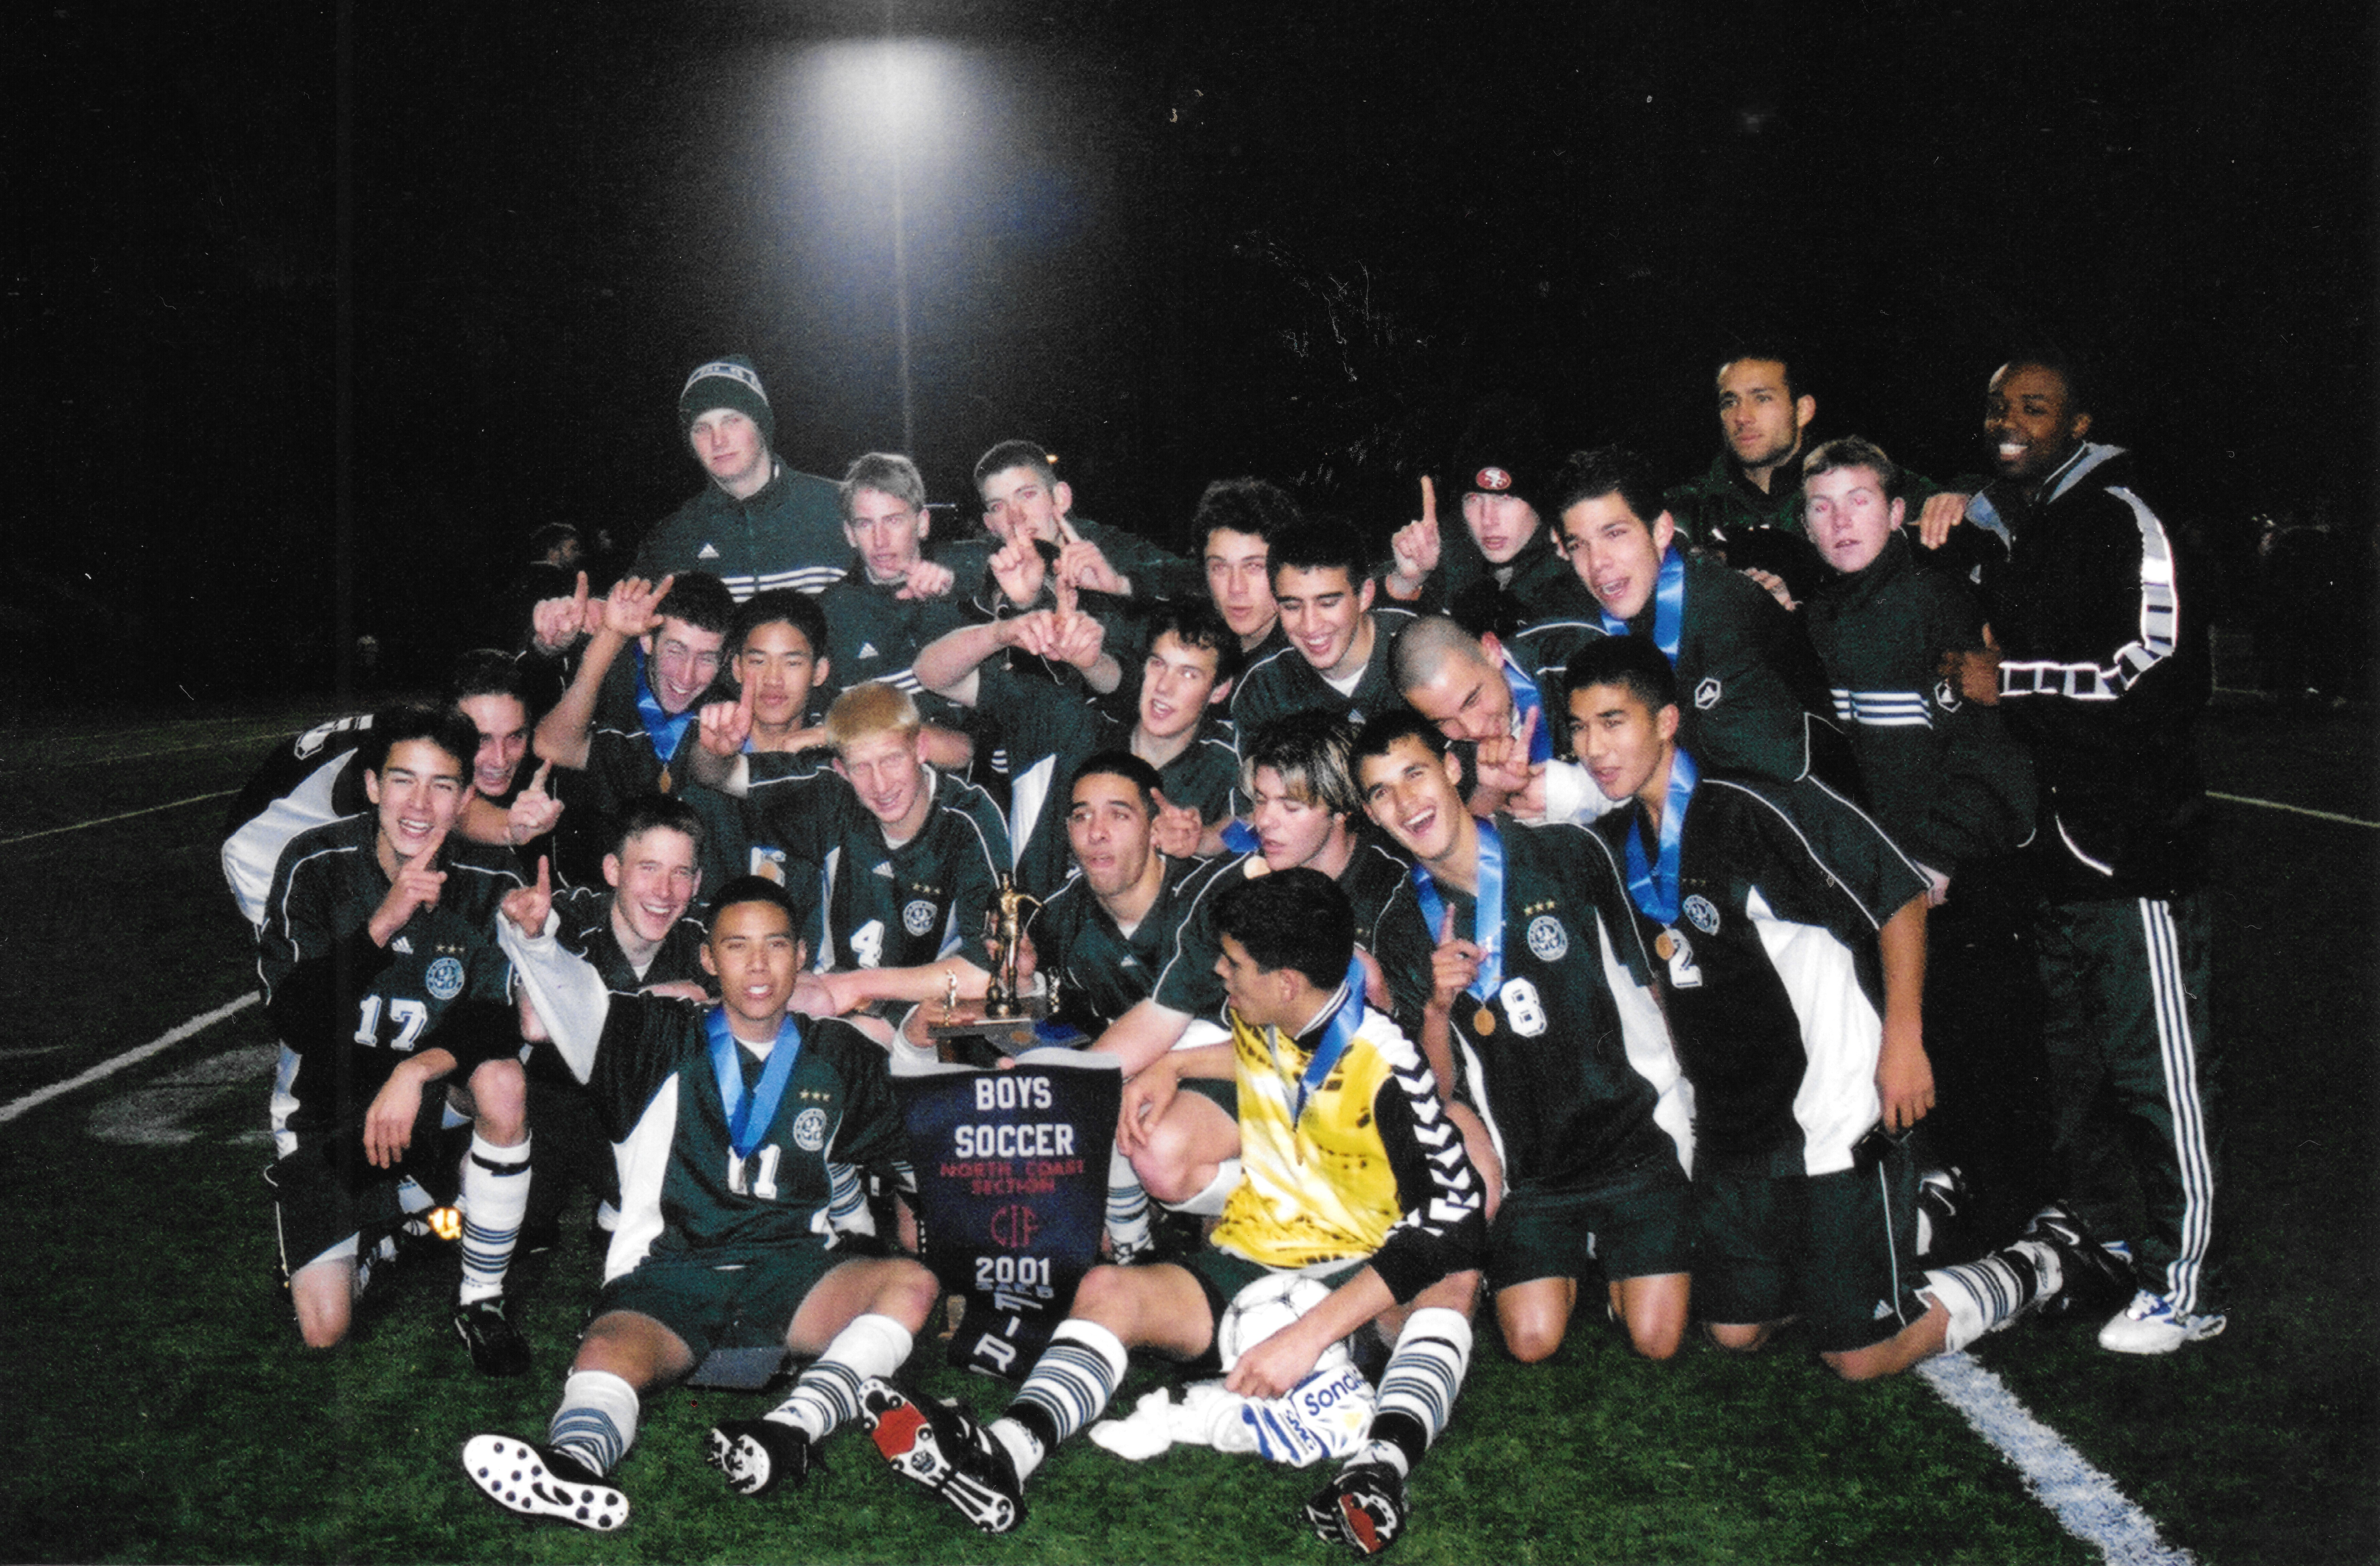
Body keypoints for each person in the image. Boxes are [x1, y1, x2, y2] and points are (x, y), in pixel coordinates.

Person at [860, 869, 1485, 1558]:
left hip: (1356, 1284)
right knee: (1108, 1289)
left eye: (1234, 963)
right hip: (1254, 1260)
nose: (1218, 971)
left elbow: (1455, 1219)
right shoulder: (1285, 1014)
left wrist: (1306, 1336)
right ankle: (1006, 1451)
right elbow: (1267, 1058)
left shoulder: (1389, 1067)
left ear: (1285, 982)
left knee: (1454, 1278)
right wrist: (1179, 1067)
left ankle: (1376, 1471)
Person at [1567, 636, 2118, 1380]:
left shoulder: (1759, 805)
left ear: (1667, 721)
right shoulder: (1617, 842)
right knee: (1735, 1334)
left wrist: (1905, 1044)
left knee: (1856, 1355)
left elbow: (1899, 896)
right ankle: (1918, 1218)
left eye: (1613, 721)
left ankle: (2044, 1260)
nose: (1594, 747)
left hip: (1829, 1107)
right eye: (1578, 728)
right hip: (1736, 1127)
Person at [464, 877, 938, 1531]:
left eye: (775, 945)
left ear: (801, 954)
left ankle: (791, 1427)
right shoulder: (655, 1037)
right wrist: (539, 941)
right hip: (670, 1273)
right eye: (736, 946)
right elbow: (578, 1005)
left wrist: (926, 1048)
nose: (758, 964)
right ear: (708, 959)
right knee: (603, 1353)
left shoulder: (836, 1051)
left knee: (910, 1284)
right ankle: (572, 1464)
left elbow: (922, 1144)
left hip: (792, 1273)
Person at [1943, 356, 2224, 1354]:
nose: (2008, 423)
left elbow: (2156, 671)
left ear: (2080, 422)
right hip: (2055, 858)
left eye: (2033, 408)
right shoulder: (2024, 520)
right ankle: (2105, 1241)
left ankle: (2182, 1282)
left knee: (2158, 1074)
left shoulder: (2121, 512)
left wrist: (2008, 679)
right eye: (1997, 407)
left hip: (2134, 852)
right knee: (2073, 1069)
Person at [1355, 711, 1692, 1362]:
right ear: (1372, 815)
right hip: (1531, 1167)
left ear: (1453, 769)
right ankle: (1574, 1253)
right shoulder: (1400, 923)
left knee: (1656, 1339)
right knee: (1533, 1341)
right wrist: (1433, 1005)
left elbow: (1652, 981)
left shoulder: (1566, 851)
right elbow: (1438, 1090)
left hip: (1633, 1140)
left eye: (1415, 774)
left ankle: (1624, 1248)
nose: (1405, 803)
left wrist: (1694, 1103)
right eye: (1381, 793)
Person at [1799, 436, 2047, 1239]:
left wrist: (1939, 853)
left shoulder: (1937, 599)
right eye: (1821, 506)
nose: (1840, 522)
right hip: (1872, 889)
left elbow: (1987, 747)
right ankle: (1933, 1188)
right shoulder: (1818, 617)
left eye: (1859, 501)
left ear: (1898, 511)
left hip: (1950, 881)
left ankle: (2021, 1235)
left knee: (1977, 1057)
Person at [254, 706, 533, 1372]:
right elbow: (296, 1017)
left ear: (466, 797)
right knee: (324, 1330)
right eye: (402, 780)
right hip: (329, 1110)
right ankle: (381, 1232)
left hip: (431, 1107)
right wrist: (382, 923)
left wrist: (413, 1074)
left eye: (442, 785)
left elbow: (498, 1019)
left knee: (503, 1079)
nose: (420, 804)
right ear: (373, 785)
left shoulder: (494, 878)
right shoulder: (316, 864)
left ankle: (481, 1297)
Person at [1099, 714, 1417, 1231]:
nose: (1265, 822)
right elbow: (1164, 1012)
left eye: (1290, 806)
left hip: (1355, 1096)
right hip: (1250, 1066)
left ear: (1341, 812)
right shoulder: (1235, 883)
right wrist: (1065, 1085)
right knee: (1155, 1150)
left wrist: (1179, 1066)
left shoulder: (1391, 892)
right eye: (1261, 801)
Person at [1531, 444, 1834, 785]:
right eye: (1578, 545)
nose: (1597, 563)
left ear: (1661, 530)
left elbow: (1764, 771)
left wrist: (1583, 791)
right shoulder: (1580, 614)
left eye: (1615, 534)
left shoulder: (1725, 607)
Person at [914, 599, 1243, 897]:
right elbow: (931, 674)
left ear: (1219, 690)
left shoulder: (1224, 760)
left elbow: (1257, 830)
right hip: (1030, 935)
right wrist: (1000, 634)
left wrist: (1203, 841)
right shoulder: (1067, 724)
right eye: (1159, 665)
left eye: (1189, 674)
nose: (1164, 688)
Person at [222, 651, 563, 928]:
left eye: (515, 736)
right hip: (264, 845)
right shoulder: (397, 749)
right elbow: (448, 813)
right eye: (483, 739)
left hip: (340, 829)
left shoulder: (435, 734)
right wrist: (508, 828)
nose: (500, 759)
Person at [782, 682, 1014, 1017]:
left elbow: (992, 969)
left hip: (926, 1016)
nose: (881, 785)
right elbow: (723, 776)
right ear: (842, 771)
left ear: (921, 748)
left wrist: (860, 984)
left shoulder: (969, 818)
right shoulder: (834, 803)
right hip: (834, 997)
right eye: (862, 767)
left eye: (892, 759)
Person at [1664, 352, 1965, 603]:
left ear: (1803, 410)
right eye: (1730, 402)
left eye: (1762, 398)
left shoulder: (1861, 482)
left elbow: (1976, 507)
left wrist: (1957, 499)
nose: (1742, 417)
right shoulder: (1689, 508)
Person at [533, 570, 734, 887]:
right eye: (676, 650)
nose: (686, 676)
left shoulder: (728, 715)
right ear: (647, 640)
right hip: (594, 899)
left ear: (725, 660)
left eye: (706, 658)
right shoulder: (611, 682)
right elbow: (551, 746)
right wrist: (611, 634)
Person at [1014, 752, 1228, 1039]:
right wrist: (1025, 983)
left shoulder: (1210, 900)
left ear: (1156, 829)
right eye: (1082, 816)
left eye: (1119, 815)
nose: (1096, 833)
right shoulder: (1057, 917)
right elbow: (1052, 1031)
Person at [813, 452, 981, 766]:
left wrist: (955, 592)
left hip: (986, 782)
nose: (880, 540)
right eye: (865, 525)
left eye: (893, 520)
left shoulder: (969, 574)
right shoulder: (831, 615)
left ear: (922, 524)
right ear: (850, 534)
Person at [633, 356, 850, 600]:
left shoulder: (841, 508)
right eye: (702, 428)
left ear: (761, 426)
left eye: (732, 421)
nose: (718, 441)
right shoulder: (673, 538)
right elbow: (625, 614)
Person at [1391, 614, 1612, 824]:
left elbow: (1644, 757)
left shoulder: (1575, 656)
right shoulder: (1438, 750)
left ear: (1492, 650)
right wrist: (1490, 792)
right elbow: (1466, 853)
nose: (1473, 730)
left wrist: (1576, 791)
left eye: (1472, 700)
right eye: (1443, 722)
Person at [1381, 432, 1592, 635]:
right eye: (1473, 499)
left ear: (1539, 507)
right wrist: (1406, 584)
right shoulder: (1437, 555)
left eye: (1505, 498)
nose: (1488, 520)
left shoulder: (1580, 573)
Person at [1231, 520, 1419, 738]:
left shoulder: (1423, 649)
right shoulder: (1264, 690)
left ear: (1365, 596)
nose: (1310, 626)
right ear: (1275, 605)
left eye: (1328, 603)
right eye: (1292, 606)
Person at [971, 438, 1203, 612]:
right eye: (998, 507)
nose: (1016, 518)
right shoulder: (979, 575)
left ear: (1061, 498)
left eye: (1028, 495)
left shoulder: (1106, 547)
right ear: (990, 525)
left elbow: (1203, 581)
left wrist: (1120, 585)